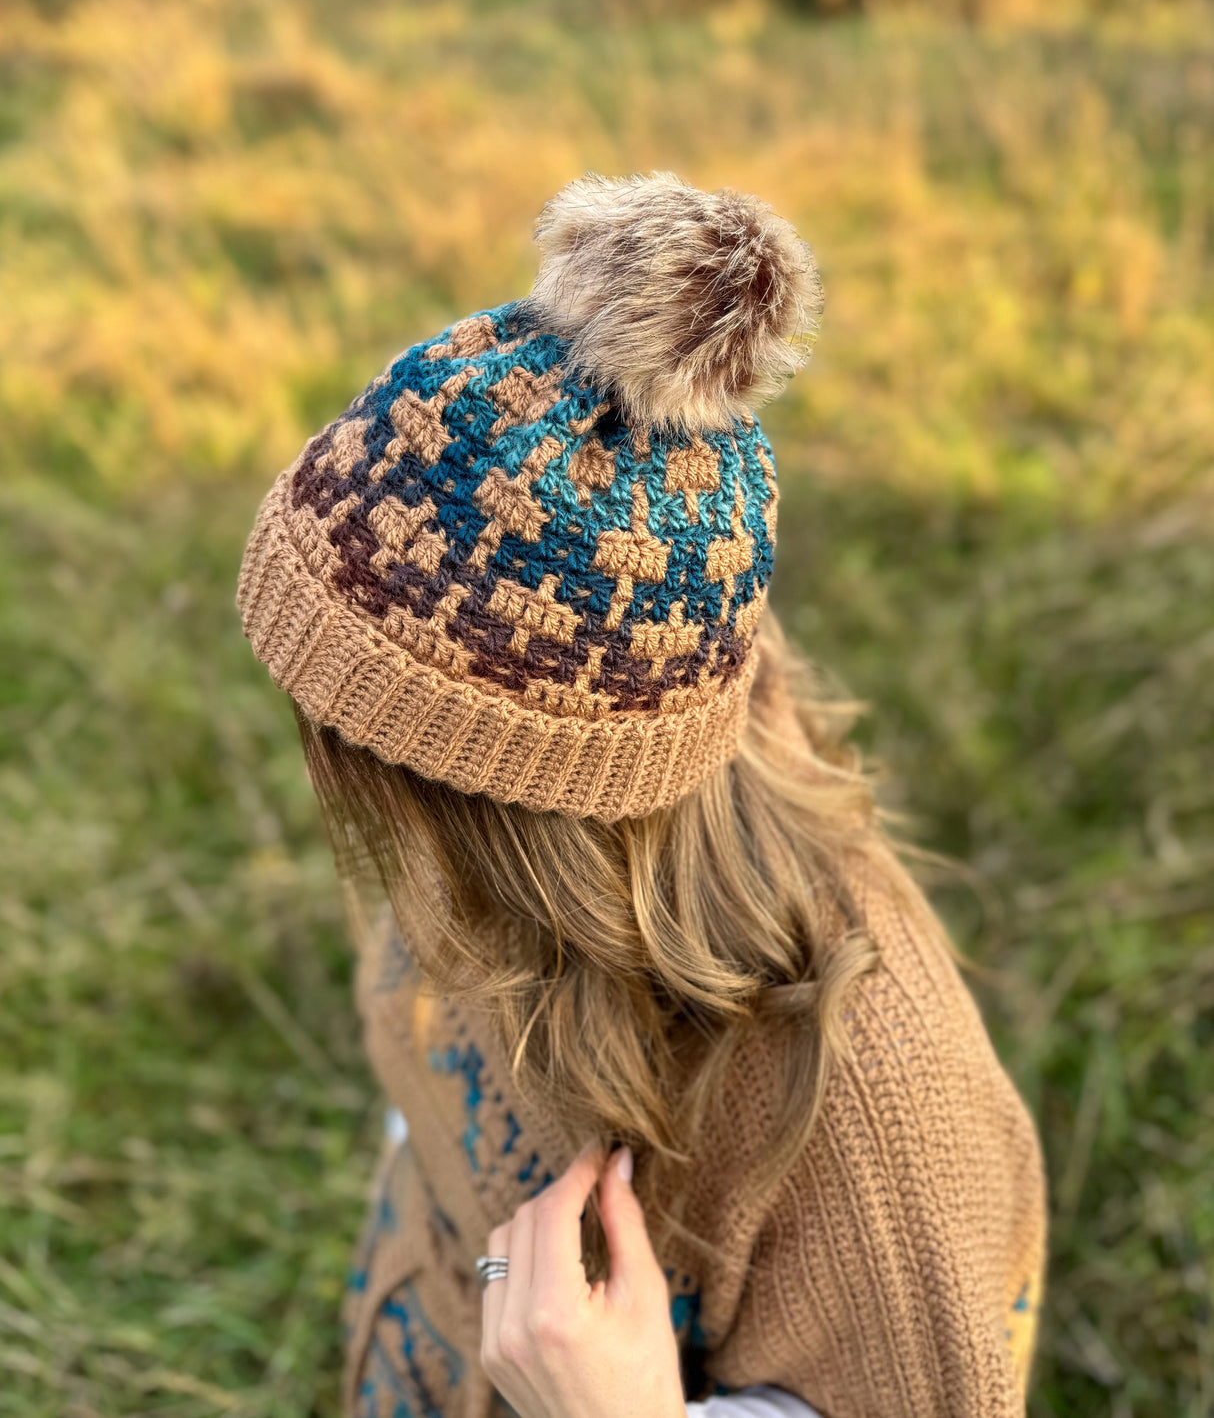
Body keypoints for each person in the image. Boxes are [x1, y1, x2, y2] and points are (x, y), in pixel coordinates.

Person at [237, 172, 1047, 1418]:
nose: (329, 761)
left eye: (363, 732)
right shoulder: (508, 826)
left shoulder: (874, 1121)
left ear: (510, 788)